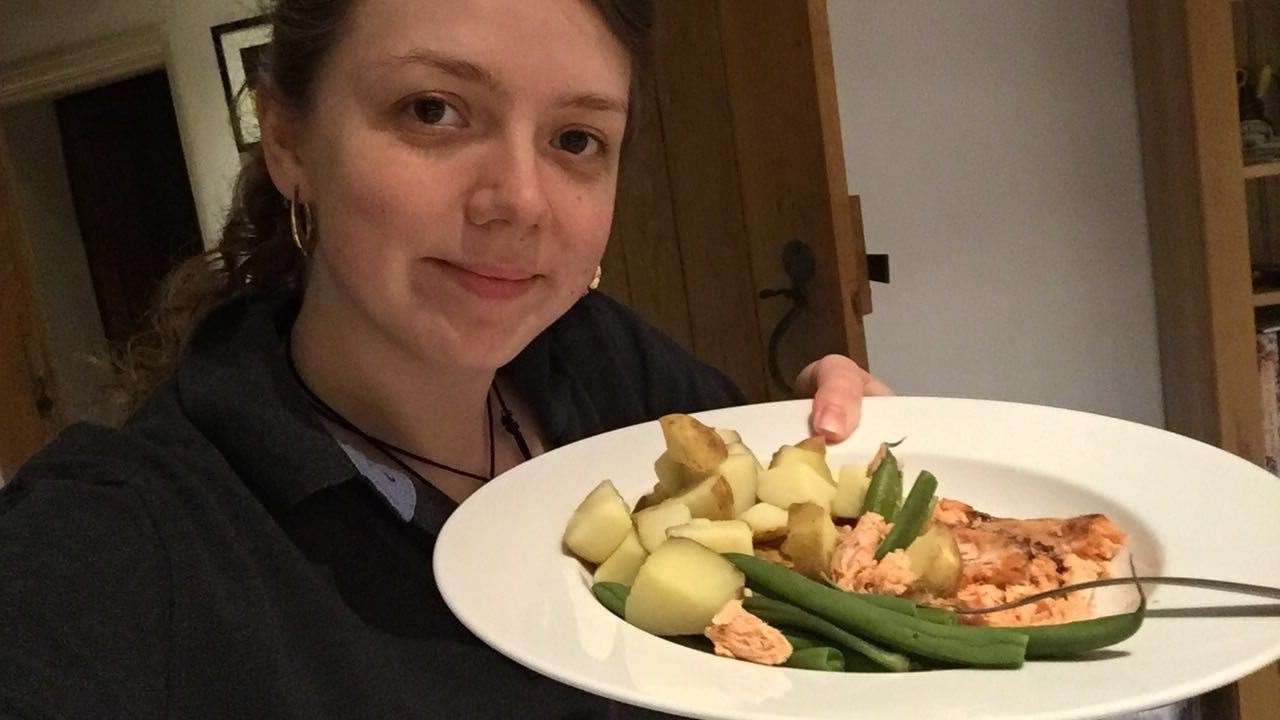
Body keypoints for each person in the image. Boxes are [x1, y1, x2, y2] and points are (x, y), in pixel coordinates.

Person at [0, 0, 891, 717]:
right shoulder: (106, 544)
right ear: (286, 137)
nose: (519, 200)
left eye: (577, 138)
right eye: (433, 111)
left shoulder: (609, 363)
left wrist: (827, 440)